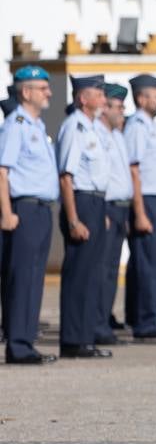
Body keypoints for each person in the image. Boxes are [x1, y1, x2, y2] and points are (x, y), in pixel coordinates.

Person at [1, 66, 60, 365]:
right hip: (23, 209)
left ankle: (26, 340)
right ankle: (19, 345)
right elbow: (2, 172)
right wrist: (6, 212)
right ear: (26, 92)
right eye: (42, 88)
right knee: (22, 277)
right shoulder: (17, 124)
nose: (48, 92)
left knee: (34, 277)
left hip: (41, 209)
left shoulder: (36, 126)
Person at [57, 74, 113, 360]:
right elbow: (67, 178)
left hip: (95, 202)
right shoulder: (74, 127)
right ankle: (72, 339)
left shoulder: (92, 128)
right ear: (83, 98)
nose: (104, 99)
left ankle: (85, 337)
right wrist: (74, 219)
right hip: (80, 201)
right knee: (79, 274)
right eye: (99, 93)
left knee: (93, 275)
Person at [124, 74, 156, 341]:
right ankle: (146, 323)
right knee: (149, 265)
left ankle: (146, 318)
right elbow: (133, 170)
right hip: (149, 202)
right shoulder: (137, 127)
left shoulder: (154, 127)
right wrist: (141, 212)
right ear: (142, 98)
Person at [98, 83, 133, 339]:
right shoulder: (97, 134)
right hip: (107, 207)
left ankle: (104, 319)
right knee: (101, 270)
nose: (122, 111)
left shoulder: (117, 135)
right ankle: (98, 324)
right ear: (105, 107)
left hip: (121, 207)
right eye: (118, 106)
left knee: (111, 270)